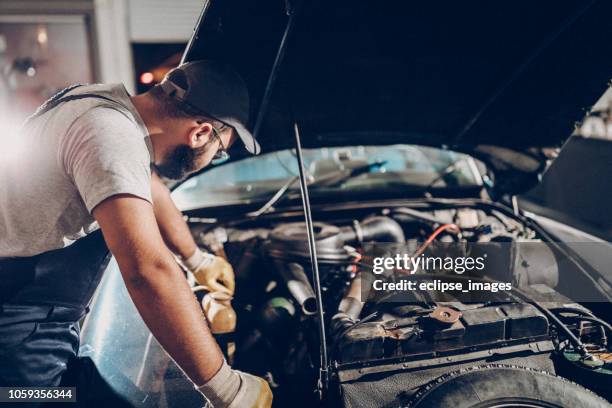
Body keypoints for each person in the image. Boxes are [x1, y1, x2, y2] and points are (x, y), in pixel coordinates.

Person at [0, 60, 272, 407]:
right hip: (20, 339)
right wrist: (228, 389)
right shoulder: (109, 133)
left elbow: (146, 182)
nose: (212, 157)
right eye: (218, 152)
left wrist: (196, 259)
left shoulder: (103, 105)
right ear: (200, 133)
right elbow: (148, 272)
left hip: (37, 322)